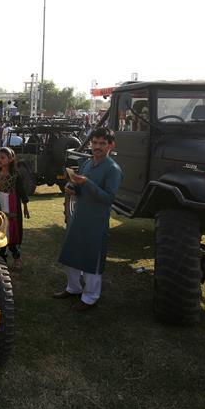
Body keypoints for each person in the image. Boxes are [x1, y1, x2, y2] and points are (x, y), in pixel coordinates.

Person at [54, 127, 123, 310]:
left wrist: (87, 183)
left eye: (102, 143)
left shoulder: (113, 169)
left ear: (111, 145)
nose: (97, 147)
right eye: (94, 142)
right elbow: (81, 188)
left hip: (96, 220)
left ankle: (90, 297)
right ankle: (73, 288)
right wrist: (73, 188)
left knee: (92, 260)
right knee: (71, 255)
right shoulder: (86, 163)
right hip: (78, 216)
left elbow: (108, 198)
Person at [0, 147, 30, 269]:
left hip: (12, 204)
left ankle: (17, 257)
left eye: (3, 158)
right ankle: (2, 259)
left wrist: (25, 207)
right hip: (0, 203)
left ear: (10, 159)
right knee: (1, 230)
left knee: (12, 231)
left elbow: (21, 191)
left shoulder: (15, 175)